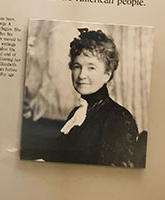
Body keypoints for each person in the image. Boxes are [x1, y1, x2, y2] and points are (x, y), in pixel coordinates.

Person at [59, 28, 138, 168]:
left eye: (91, 68)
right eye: (77, 66)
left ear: (107, 74)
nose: (82, 75)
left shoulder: (118, 118)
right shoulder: (76, 114)